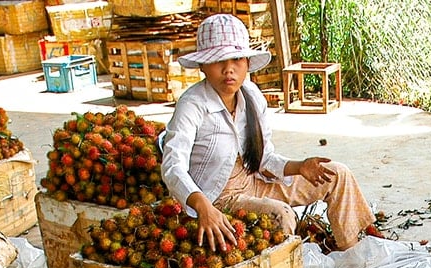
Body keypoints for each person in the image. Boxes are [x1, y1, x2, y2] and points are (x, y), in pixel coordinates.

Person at [160, 13, 379, 253]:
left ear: (247, 63)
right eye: (217, 61)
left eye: (237, 60)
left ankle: (352, 255)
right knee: (282, 216)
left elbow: (265, 159)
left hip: (255, 183)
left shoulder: (251, 95)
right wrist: (202, 206)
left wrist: (300, 166)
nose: (228, 69)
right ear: (202, 66)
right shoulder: (192, 104)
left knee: (337, 174)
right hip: (218, 200)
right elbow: (173, 166)